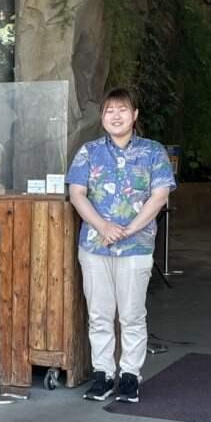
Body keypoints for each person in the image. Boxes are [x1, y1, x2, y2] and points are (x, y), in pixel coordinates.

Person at [67, 87, 176, 403]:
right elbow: (77, 193)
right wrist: (103, 226)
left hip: (136, 247)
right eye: (109, 110)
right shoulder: (89, 151)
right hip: (95, 246)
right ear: (102, 117)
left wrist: (128, 230)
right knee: (99, 313)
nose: (116, 115)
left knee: (131, 314)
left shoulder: (153, 152)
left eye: (122, 109)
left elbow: (160, 196)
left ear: (135, 115)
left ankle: (130, 375)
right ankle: (102, 373)